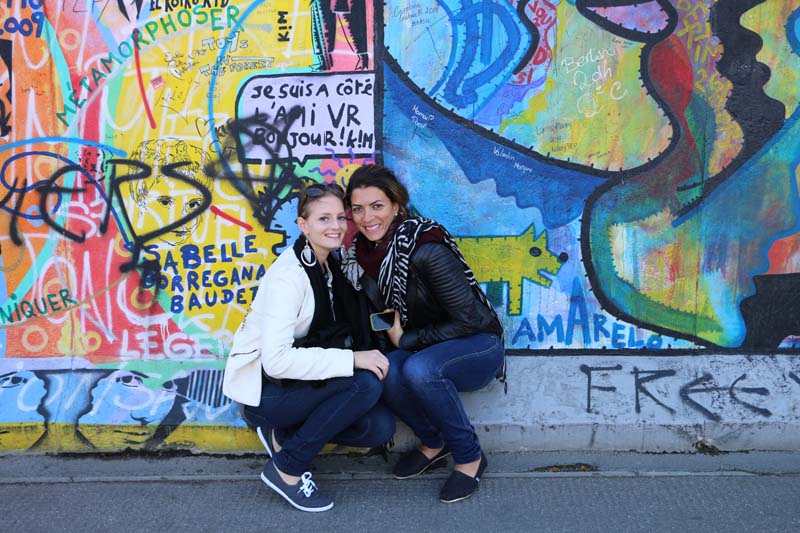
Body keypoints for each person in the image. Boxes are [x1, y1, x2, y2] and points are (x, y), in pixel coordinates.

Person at [223, 182, 394, 513]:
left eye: (340, 218)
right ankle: (287, 469)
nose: (336, 226)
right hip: (266, 391)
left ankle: (283, 437)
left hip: (297, 384)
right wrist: (353, 359)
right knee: (364, 385)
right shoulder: (290, 277)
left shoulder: (328, 264)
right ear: (303, 225)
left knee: (378, 427)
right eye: (323, 219)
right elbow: (276, 362)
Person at [342, 164, 506, 503]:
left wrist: (407, 341)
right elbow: (384, 316)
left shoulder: (425, 248)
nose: (367, 218)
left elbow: (469, 319)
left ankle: (470, 457)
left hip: (477, 344)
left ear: (396, 205)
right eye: (358, 209)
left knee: (420, 369)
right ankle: (434, 442)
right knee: (386, 369)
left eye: (377, 206)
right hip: (427, 347)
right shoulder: (363, 256)